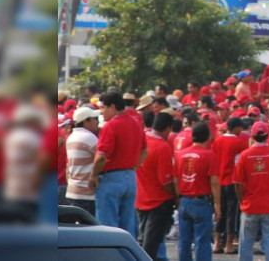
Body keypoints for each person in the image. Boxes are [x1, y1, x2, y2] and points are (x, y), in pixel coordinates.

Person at [90, 92, 147, 237]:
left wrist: (93, 175)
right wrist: (133, 166)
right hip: (130, 177)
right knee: (127, 228)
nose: (101, 112)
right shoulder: (136, 123)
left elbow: (101, 157)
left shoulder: (111, 126)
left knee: (107, 228)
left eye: (103, 108)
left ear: (112, 107)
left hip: (110, 178)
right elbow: (145, 151)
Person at [234, 121, 269, 261]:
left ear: (252, 135)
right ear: (268, 135)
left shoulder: (245, 155)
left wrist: (241, 200)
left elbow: (238, 183)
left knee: (246, 244)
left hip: (250, 205)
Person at [175, 122, 221, 261]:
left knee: (184, 241)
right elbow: (214, 182)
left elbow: (175, 180)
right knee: (202, 241)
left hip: (184, 200)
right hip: (201, 201)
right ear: (207, 137)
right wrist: (218, 205)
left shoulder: (180, 154)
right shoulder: (209, 155)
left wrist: (178, 198)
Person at [135, 113, 177, 261]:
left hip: (141, 198)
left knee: (144, 239)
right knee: (151, 244)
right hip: (158, 201)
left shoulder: (144, 140)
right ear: (168, 128)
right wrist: (175, 197)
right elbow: (165, 182)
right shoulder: (162, 147)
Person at [211, 117, 247, 254]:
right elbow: (240, 163)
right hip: (232, 181)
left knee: (220, 211)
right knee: (232, 213)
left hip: (219, 181)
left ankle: (217, 242)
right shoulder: (239, 142)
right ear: (236, 127)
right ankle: (229, 244)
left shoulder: (218, 141)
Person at [65, 107, 101, 216]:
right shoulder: (89, 137)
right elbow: (103, 157)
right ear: (86, 121)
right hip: (86, 193)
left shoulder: (71, 136)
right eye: (94, 119)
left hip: (73, 190)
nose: (97, 121)